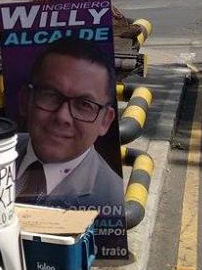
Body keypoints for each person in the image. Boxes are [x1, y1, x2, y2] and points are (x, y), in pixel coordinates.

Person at [15, 38, 123, 210]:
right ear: (25, 100)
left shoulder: (112, 199)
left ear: (105, 121)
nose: (62, 117)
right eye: (50, 95)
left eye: (84, 105)